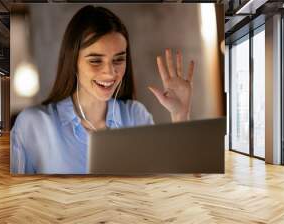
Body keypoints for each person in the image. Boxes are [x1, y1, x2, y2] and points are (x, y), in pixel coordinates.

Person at [11, 5, 195, 174]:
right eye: (95, 60)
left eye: (118, 59)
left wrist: (180, 115)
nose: (110, 72)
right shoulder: (33, 125)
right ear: (73, 62)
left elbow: (170, 188)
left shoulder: (136, 117)